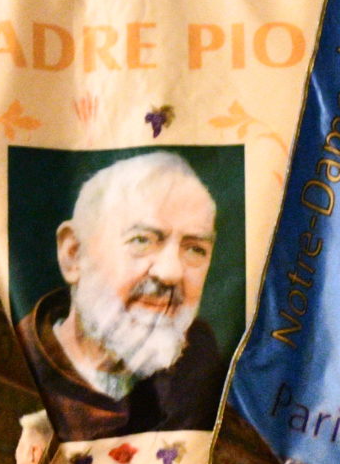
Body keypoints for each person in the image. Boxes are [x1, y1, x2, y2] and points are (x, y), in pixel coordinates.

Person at [14, 151, 227, 440]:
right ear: (74, 254)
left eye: (194, 249)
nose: (171, 272)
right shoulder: (11, 370)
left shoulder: (200, 362)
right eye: (142, 240)